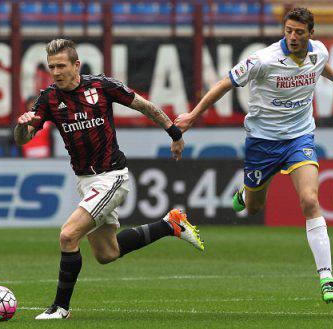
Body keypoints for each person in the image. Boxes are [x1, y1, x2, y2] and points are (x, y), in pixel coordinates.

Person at [175, 8, 333, 303]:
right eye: (288, 31)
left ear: (312, 33)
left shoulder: (319, 51)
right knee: (254, 207)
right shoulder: (262, 60)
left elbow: (320, 66)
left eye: (299, 32)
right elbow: (224, 84)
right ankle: (245, 195)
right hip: (263, 142)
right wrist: (193, 117)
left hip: (300, 137)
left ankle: (327, 278)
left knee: (310, 200)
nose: (293, 37)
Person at [14, 39, 204, 320]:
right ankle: (169, 225)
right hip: (85, 181)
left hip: (112, 176)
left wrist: (174, 133)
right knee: (107, 253)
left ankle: (60, 308)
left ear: (76, 65)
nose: (55, 72)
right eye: (51, 66)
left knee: (68, 235)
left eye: (61, 66)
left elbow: (145, 106)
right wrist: (21, 126)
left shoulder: (101, 87)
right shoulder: (49, 99)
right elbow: (24, 138)